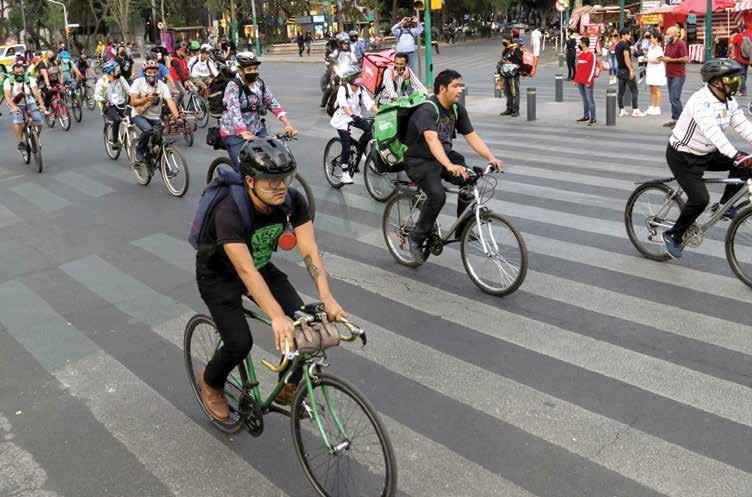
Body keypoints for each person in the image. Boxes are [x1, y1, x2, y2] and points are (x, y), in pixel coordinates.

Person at [194, 135, 347, 421]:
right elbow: (245, 271)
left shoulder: (292, 201)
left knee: (305, 327)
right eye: (271, 181)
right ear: (250, 181)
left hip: (261, 266)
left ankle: (287, 389)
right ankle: (211, 382)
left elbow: (310, 250)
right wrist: (276, 316)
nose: (280, 187)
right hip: (219, 275)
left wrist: (326, 297)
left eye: (285, 179)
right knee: (239, 343)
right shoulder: (228, 210)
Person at [403, 69, 503, 265]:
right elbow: (432, 140)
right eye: (455, 86)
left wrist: (491, 157)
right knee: (437, 195)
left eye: (460, 85)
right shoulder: (427, 110)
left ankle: (462, 228)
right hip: (419, 160)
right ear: (442, 88)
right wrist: (449, 165)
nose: (460, 90)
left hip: (444, 155)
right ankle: (416, 237)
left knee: (470, 178)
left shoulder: (457, 109)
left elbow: (472, 136)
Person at [662, 58, 752, 258]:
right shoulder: (700, 101)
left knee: (746, 163)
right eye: (732, 78)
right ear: (716, 81)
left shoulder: (728, 100)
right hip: (683, 156)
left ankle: (725, 205)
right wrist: (734, 154)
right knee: (700, 199)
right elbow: (713, 132)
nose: (737, 81)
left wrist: (738, 156)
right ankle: (673, 235)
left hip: (707, 153)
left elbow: (744, 126)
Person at [220, 52, 296, 170]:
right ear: (240, 71)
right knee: (243, 169)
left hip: (256, 129)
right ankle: (228, 179)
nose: (253, 72)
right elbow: (233, 111)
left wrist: (287, 124)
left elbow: (272, 102)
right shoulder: (233, 86)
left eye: (255, 68)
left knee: (270, 161)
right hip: (234, 132)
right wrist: (243, 132)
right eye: (249, 69)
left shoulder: (259, 84)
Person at [329, 67, 378, 185]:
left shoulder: (361, 89)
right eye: (358, 77)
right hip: (342, 119)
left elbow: (369, 103)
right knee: (346, 145)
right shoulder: (343, 89)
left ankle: (360, 148)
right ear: (351, 79)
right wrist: (352, 115)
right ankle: (344, 173)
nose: (361, 78)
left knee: (370, 129)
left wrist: (380, 113)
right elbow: (343, 105)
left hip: (355, 117)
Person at [129, 59, 181, 162]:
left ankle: (158, 160)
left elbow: (170, 101)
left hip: (155, 117)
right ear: (145, 73)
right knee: (148, 130)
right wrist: (146, 99)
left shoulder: (162, 85)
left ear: (158, 72)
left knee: (159, 140)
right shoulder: (138, 82)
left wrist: (177, 117)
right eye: (149, 72)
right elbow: (133, 101)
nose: (152, 74)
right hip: (139, 114)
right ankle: (139, 150)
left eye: (154, 72)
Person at [3, 62, 47, 151]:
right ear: (13, 72)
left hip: (29, 102)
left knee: (38, 120)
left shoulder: (29, 79)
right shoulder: (8, 81)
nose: (20, 74)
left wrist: (42, 105)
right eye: (17, 72)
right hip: (15, 104)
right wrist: (14, 107)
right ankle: (20, 142)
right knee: (17, 120)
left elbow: (36, 93)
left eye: (22, 72)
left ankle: (35, 138)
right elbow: (7, 96)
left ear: (25, 71)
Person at [95, 60, 131, 147]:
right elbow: (96, 95)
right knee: (117, 119)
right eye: (118, 71)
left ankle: (124, 136)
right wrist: (104, 101)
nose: (120, 72)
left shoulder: (120, 79)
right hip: (109, 105)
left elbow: (129, 90)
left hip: (121, 104)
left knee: (133, 118)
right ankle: (115, 141)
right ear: (111, 72)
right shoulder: (102, 81)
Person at [615, 30, 646, 117]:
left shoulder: (617, 45)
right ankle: (635, 110)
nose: (630, 36)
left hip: (620, 70)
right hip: (626, 70)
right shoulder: (625, 45)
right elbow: (626, 58)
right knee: (634, 90)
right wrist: (631, 70)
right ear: (623, 35)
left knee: (621, 92)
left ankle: (621, 110)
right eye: (628, 34)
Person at [662, 25, 688, 128]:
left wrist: (671, 60)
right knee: (671, 98)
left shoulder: (681, 44)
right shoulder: (669, 44)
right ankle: (675, 119)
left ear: (674, 34)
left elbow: (685, 59)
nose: (666, 36)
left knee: (675, 97)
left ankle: (681, 121)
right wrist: (663, 58)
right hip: (670, 74)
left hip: (678, 74)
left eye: (668, 34)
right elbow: (667, 56)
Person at [573, 36, 597, 126]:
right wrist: (575, 80)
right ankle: (586, 116)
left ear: (584, 44)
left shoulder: (592, 55)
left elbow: (593, 69)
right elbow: (578, 69)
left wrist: (589, 81)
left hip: (587, 82)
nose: (579, 44)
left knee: (590, 100)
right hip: (580, 81)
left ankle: (593, 118)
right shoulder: (581, 55)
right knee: (584, 99)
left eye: (580, 43)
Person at [500, 35, 523, 117]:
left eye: (504, 40)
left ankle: (516, 110)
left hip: (513, 74)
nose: (503, 42)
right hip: (506, 74)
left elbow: (520, 61)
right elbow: (503, 59)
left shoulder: (515, 49)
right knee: (508, 92)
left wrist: (511, 63)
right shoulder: (505, 50)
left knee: (515, 92)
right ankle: (509, 109)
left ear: (509, 40)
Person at [644, 33, 666, 116]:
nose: (651, 39)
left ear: (656, 39)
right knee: (651, 88)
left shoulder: (659, 49)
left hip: (657, 70)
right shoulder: (650, 47)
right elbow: (649, 57)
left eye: (652, 38)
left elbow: (658, 61)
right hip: (650, 69)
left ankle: (657, 107)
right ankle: (652, 106)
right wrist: (646, 59)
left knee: (656, 88)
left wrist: (648, 60)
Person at [730, 24, 750, 96]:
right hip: (748, 58)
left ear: (742, 29)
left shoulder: (738, 36)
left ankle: (743, 91)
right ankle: (742, 88)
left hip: (739, 58)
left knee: (741, 74)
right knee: (744, 73)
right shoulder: (750, 35)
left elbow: (730, 45)